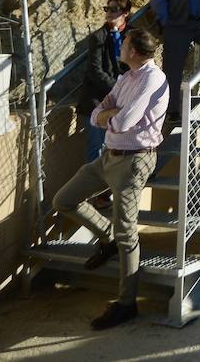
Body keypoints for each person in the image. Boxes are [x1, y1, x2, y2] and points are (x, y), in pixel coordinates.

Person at [52, 29, 170, 330]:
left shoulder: (152, 79)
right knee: (63, 200)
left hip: (134, 160)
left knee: (127, 233)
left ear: (133, 51)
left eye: (125, 44)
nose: (120, 48)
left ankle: (127, 304)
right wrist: (111, 116)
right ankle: (106, 237)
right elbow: (97, 114)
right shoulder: (126, 77)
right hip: (108, 156)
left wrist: (111, 116)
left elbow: (122, 121)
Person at [79, 0, 131, 161]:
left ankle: (111, 185)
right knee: (97, 149)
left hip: (124, 101)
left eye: (114, 9)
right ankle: (93, 186)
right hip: (98, 100)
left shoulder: (133, 36)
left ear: (125, 13)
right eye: (107, 9)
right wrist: (117, 89)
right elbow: (95, 71)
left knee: (120, 149)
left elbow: (136, 66)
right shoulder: (98, 37)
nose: (109, 13)